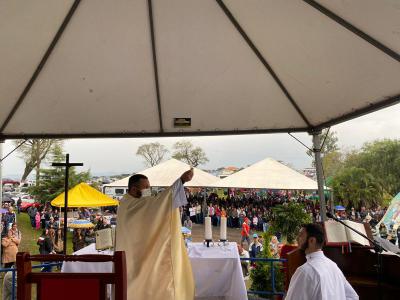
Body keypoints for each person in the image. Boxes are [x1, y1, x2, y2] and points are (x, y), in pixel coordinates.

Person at [116, 170, 195, 300]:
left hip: (139, 251)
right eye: (146, 187)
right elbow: (160, 203)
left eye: (149, 186)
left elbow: (153, 208)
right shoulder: (129, 204)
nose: (149, 189)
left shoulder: (131, 202)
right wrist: (181, 181)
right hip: (133, 255)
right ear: (134, 189)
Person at [286, 223, 359, 300]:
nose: (297, 238)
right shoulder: (333, 265)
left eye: (301, 235)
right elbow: (353, 297)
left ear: (312, 240)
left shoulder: (305, 271)